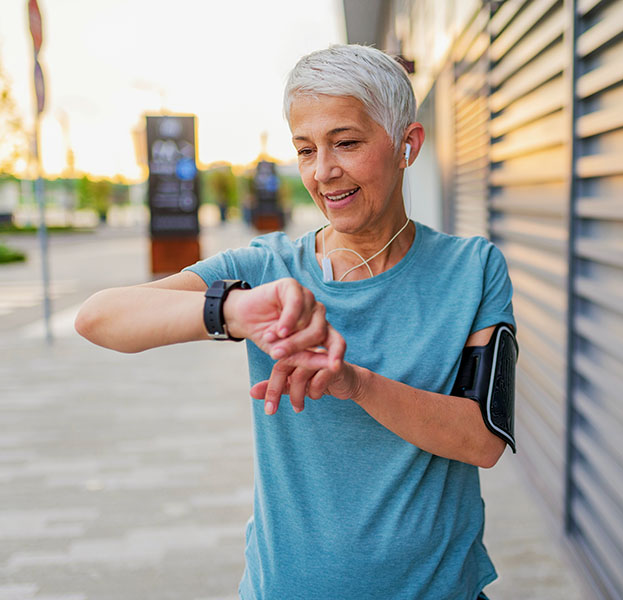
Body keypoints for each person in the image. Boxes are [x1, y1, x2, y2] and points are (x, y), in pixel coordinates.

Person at [76, 44, 516, 599]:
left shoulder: (472, 269)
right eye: (305, 150)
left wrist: (353, 382)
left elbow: (482, 440)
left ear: (408, 144)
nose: (324, 172)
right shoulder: (263, 268)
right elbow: (99, 318)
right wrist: (234, 309)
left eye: (346, 143)